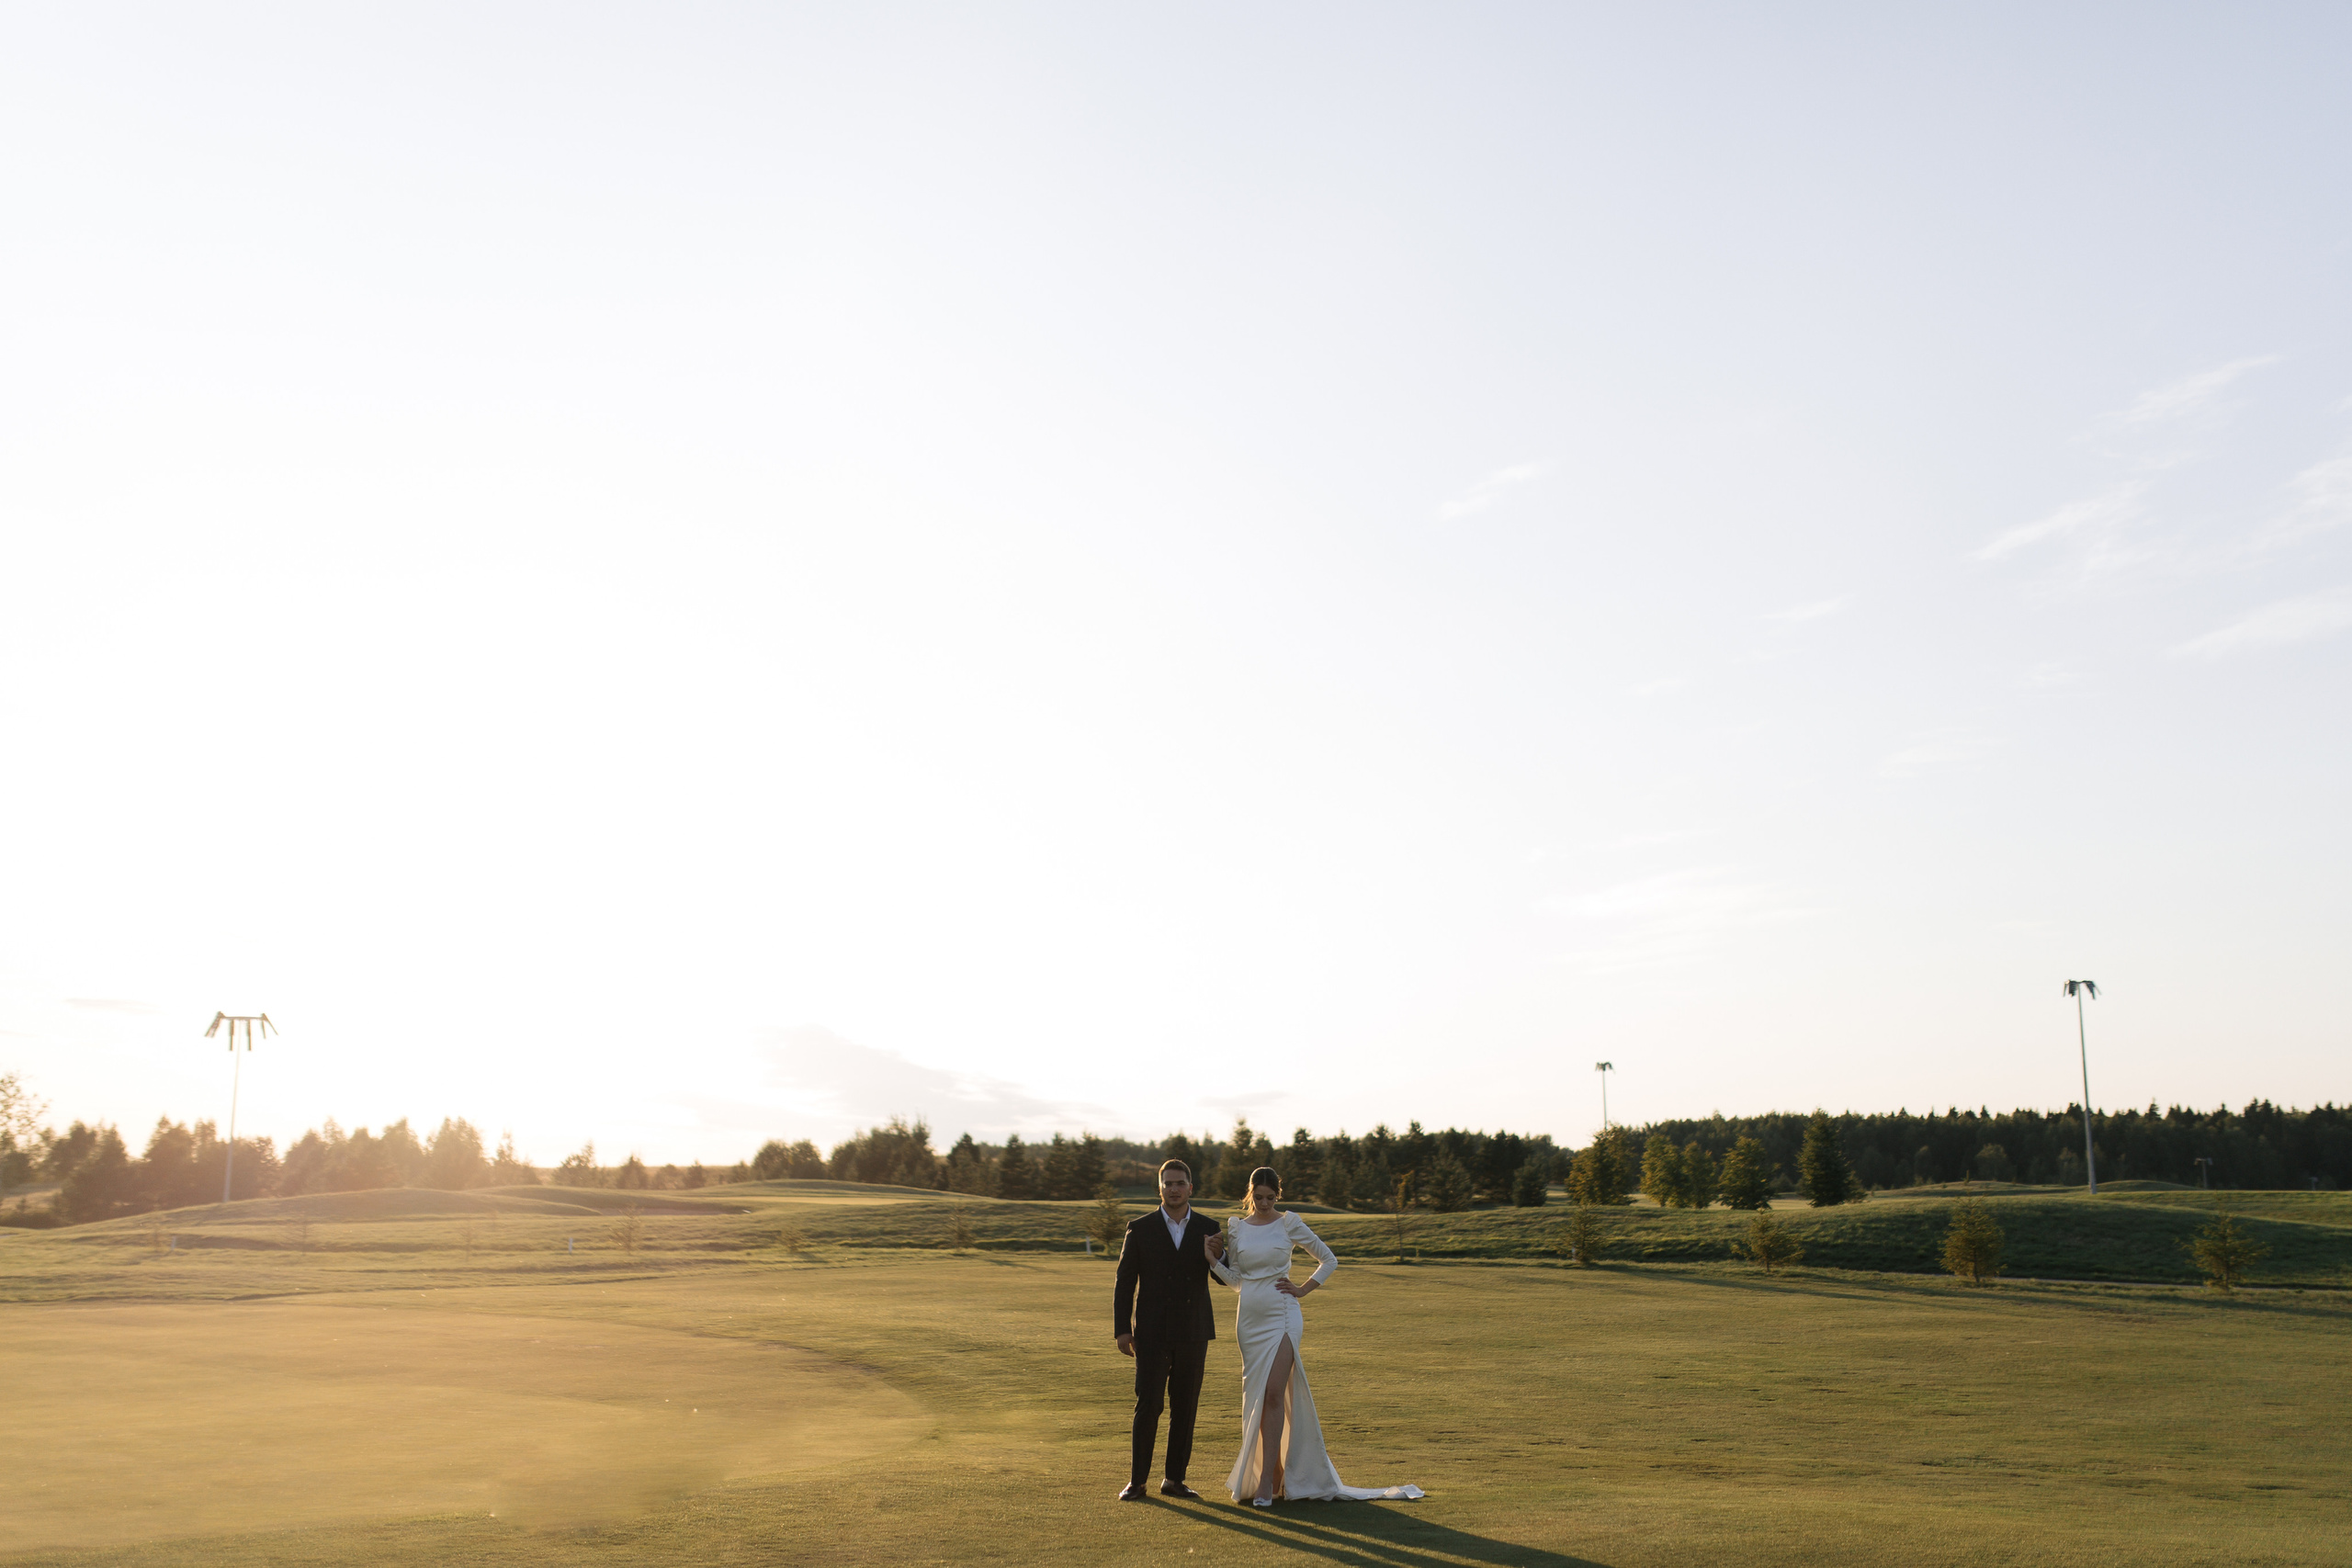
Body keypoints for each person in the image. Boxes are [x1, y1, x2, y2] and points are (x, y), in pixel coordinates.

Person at [1208, 1166, 1423, 1506]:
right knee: (1258, 1398)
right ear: (1250, 1194)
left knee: (1274, 1393)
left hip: (1282, 1317)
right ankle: (1272, 1472)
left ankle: (1267, 1481)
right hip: (1248, 1320)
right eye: (1258, 1197)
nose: (1264, 1204)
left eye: (1270, 1198)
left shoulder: (1289, 1223)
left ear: (1277, 1195)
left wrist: (1302, 1289)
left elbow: (1328, 1260)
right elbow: (1238, 1281)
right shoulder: (1236, 1228)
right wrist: (1213, 1261)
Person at [1112, 1158, 1227, 1501]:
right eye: (1168, 1184)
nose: (1174, 1189)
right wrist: (1122, 1330)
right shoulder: (1140, 1228)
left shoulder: (1209, 1228)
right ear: (1159, 1188)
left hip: (1194, 1330)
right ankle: (1137, 1482)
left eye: (1180, 1184)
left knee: (1185, 1407)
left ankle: (1174, 1480)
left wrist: (1218, 1257)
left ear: (1190, 1188)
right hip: (1150, 1333)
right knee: (1148, 1404)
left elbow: (1224, 1278)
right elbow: (1124, 1282)